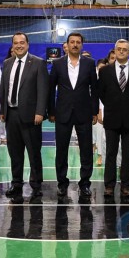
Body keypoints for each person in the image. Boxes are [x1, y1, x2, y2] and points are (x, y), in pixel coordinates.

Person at [48, 32, 99, 198]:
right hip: (62, 113)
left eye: (78, 42)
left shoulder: (89, 63)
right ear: (67, 45)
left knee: (86, 151)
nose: (75, 44)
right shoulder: (57, 63)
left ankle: (85, 184)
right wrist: (51, 111)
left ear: (82, 45)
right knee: (61, 151)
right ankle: (62, 183)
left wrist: (95, 111)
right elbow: (50, 89)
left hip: (84, 112)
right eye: (72, 42)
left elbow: (95, 89)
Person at [0, 32, 49, 199]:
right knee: (14, 152)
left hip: (31, 116)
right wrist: (2, 110)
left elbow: (43, 90)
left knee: (34, 153)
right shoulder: (7, 63)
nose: (19, 45)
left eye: (22, 42)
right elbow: (4, 88)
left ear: (27, 44)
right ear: (12, 45)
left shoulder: (38, 62)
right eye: (16, 43)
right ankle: (16, 183)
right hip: (11, 114)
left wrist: (40, 111)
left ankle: (36, 185)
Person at [98, 38, 129, 199]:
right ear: (114, 50)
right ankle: (109, 186)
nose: (121, 51)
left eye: (124, 49)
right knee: (110, 153)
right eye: (118, 48)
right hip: (111, 117)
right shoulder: (105, 71)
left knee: (127, 154)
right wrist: (113, 105)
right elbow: (101, 93)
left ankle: (126, 186)